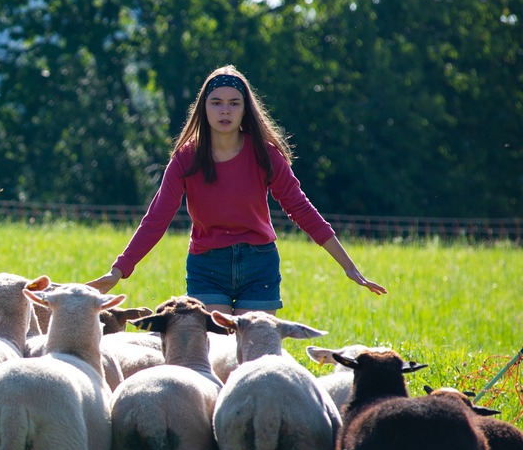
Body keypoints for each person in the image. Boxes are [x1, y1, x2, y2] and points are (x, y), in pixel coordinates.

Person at [88, 65, 386, 313]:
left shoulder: (265, 154)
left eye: (234, 103)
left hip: (260, 264)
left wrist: (349, 266)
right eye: (216, 102)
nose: (225, 110)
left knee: (255, 358)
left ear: (246, 110)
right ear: (203, 109)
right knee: (217, 355)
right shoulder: (185, 158)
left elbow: (301, 208)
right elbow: (156, 220)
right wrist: (118, 271)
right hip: (207, 265)